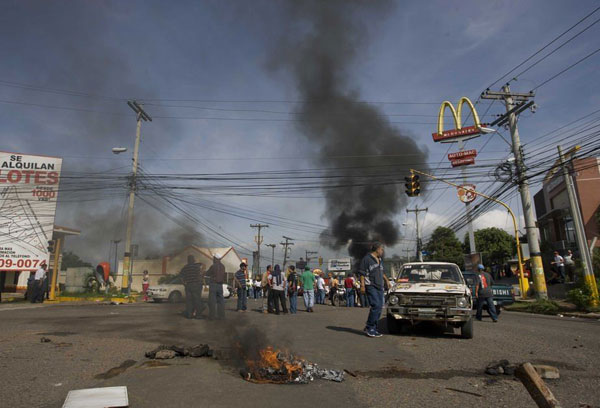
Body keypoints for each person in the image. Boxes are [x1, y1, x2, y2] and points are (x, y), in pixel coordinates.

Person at [358, 243, 389, 338]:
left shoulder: (379, 260)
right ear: (378, 249)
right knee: (376, 305)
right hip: (370, 285)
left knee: (380, 307)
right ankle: (369, 327)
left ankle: (374, 328)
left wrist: (387, 280)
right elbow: (362, 273)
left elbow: (382, 271)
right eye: (382, 250)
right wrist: (362, 285)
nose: (382, 252)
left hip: (379, 286)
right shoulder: (366, 259)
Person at [206, 256, 226, 320]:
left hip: (213, 284)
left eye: (214, 258)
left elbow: (208, 273)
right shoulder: (223, 266)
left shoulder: (213, 266)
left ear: (216, 259)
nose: (213, 260)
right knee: (221, 301)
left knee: (212, 301)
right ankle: (221, 316)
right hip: (220, 285)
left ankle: (212, 316)